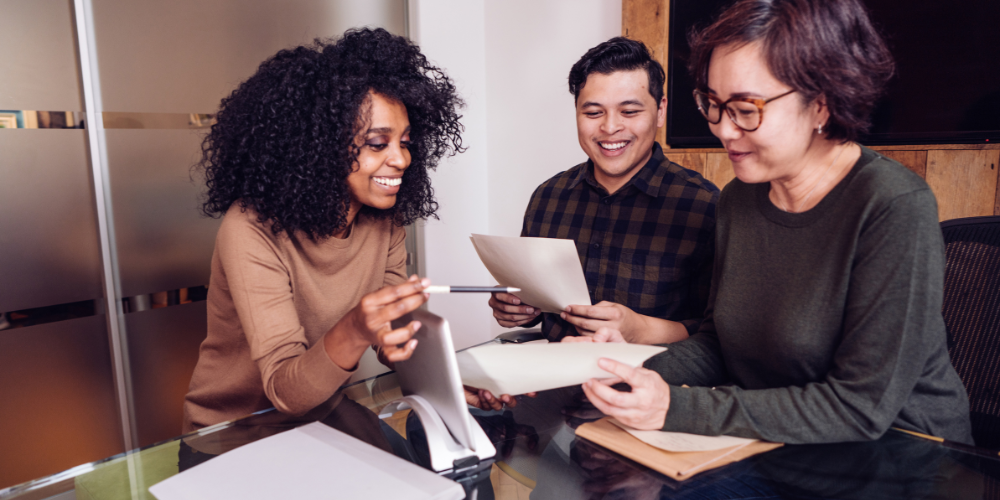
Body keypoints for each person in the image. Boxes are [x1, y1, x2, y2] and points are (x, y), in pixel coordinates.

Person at [571, 0, 972, 444]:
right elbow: (718, 345)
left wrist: (675, 408)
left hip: (905, 452)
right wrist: (626, 367)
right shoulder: (739, 198)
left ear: (821, 104)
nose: (723, 129)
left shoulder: (892, 204)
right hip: (778, 441)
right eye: (713, 104)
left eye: (746, 109)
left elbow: (861, 406)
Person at [182, 28, 464, 438]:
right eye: (377, 143)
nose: (401, 159)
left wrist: (453, 387)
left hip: (321, 410)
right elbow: (284, 391)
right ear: (320, 145)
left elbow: (392, 335)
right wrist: (356, 328)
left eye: (404, 142)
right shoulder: (250, 228)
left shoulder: (384, 220)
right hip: (232, 432)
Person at [487, 38, 719, 346]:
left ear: (660, 111)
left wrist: (641, 329)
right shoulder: (548, 197)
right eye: (594, 113)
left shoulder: (704, 206)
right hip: (554, 368)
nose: (610, 128)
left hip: (653, 372)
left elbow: (717, 333)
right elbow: (535, 301)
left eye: (629, 111)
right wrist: (518, 309)